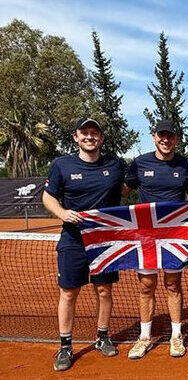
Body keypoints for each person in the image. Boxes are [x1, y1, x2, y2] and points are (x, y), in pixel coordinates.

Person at [43, 117, 126, 371]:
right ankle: (65, 345)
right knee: (69, 292)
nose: (90, 137)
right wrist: (62, 213)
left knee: (104, 290)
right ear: (76, 137)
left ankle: (102, 337)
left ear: (101, 138)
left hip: (105, 240)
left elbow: (128, 190)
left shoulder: (116, 165)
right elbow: (48, 197)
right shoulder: (61, 165)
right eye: (85, 132)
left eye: (94, 133)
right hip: (73, 240)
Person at [123, 119, 188, 359]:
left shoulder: (186, 164)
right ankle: (144, 337)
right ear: (154, 136)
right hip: (146, 236)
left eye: (171, 136)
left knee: (173, 285)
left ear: (176, 139)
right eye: (161, 135)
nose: (166, 139)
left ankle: (176, 336)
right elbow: (122, 189)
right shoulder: (140, 163)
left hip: (173, 236)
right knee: (146, 287)